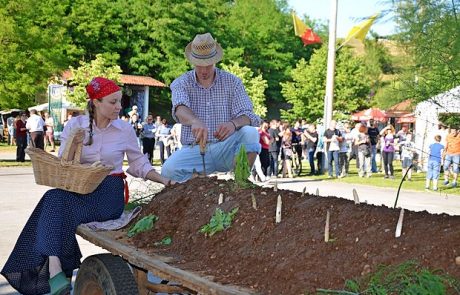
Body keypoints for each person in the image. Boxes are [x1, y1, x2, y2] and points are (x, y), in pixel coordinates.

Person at [1, 77, 173, 295]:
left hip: (109, 193)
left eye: (120, 101)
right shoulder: (75, 125)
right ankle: (55, 265)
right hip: (80, 189)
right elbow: (64, 165)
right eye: (113, 102)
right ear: (95, 102)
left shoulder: (124, 129)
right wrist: (74, 142)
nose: (119, 107)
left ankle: (56, 272)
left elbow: (138, 163)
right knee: (54, 198)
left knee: (54, 203)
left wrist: (164, 180)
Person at [162, 32, 261, 182]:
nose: (203, 70)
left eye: (208, 65)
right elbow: (179, 108)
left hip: (226, 148)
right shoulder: (181, 82)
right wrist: (194, 121)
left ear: (215, 61)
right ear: (192, 61)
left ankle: (240, 184)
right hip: (195, 149)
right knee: (168, 170)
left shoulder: (232, 82)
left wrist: (233, 124)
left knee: (250, 133)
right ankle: (197, 188)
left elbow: (249, 115)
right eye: (199, 65)